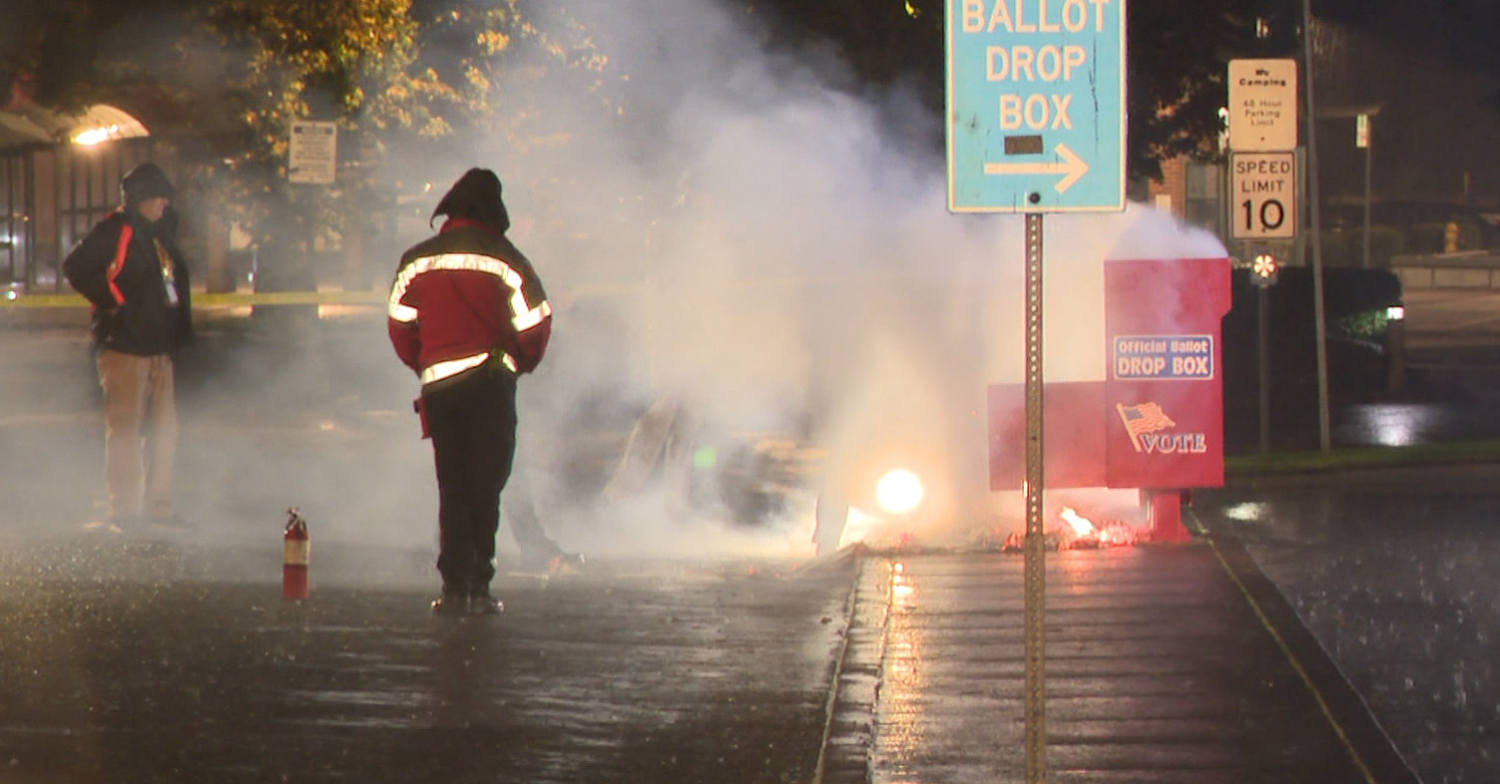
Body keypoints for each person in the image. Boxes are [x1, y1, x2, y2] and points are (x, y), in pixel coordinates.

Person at [387, 168, 552, 616]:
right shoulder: (508, 259)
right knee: (486, 486)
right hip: (490, 385)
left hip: (441, 389)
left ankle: (454, 586)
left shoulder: (417, 260)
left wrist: (424, 361)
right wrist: (521, 363)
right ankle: (478, 586)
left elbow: (400, 324)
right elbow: (535, 324)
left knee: (452, 485)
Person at [62, 162, 193, 532]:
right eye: (159, 197)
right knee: (126, 431)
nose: (165, 204)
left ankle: (159, 509)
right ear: (142, 198)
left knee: (165, 431)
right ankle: (126, 512)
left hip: (158, 347)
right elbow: (75, 266)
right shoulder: (116, 228)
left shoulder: (157, 233)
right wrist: (113, 302)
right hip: (124, 347)